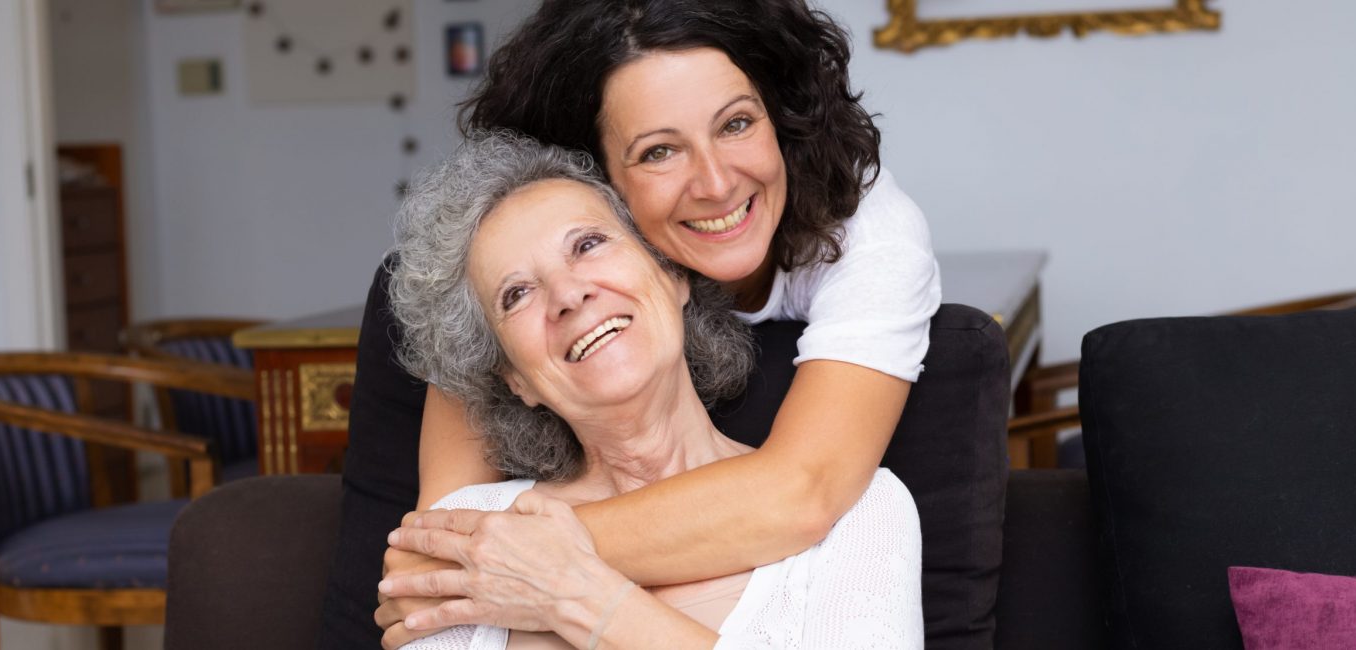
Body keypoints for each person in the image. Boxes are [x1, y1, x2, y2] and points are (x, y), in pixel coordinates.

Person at [317, 1, 942, 646]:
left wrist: (555, 577)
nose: (716, 183)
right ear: (601, 176)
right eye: (659, 151)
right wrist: (473, 556)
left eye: (736, 123)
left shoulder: (872, 240)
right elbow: (436, 561)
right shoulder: (500, 341)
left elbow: (805, 491)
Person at [385, 131, 922, 649]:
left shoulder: (858, 511)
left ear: (673, 275)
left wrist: (578, 598)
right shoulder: (467, 534)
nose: (568, 294)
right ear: (515, 379)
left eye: (589, 244)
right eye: (517, 294)